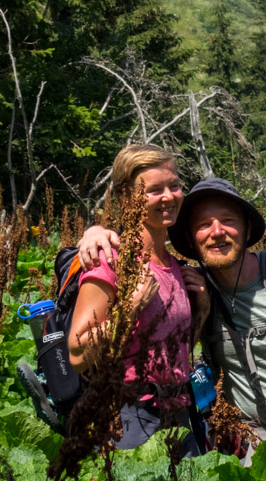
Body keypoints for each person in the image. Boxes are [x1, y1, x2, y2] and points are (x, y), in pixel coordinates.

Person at [79, 175, 266, 459]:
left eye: (228, 220)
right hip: (250, 446)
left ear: (247, 230)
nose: (217, 231)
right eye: (203, 225)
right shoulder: (193, 289)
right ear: (190, 238)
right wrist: (96, 232)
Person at [71, 143, 208, 449]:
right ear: (125, 197)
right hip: (131, 417)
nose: (168, 197)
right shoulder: (110, 261)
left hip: (180, 413)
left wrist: (202, 310)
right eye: (154, 190)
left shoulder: (174, 266)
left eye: (174, 186)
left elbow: (174, 351)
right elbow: (77, 354)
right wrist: (129, 307)